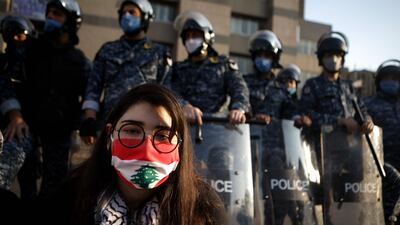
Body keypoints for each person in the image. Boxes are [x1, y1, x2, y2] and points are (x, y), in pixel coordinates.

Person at [36, 84, 227, 225]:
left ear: (180, 146)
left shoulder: (203, 207)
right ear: (110, 135)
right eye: (132, 130)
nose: (146, 148)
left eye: (163, 135)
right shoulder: (70, 197)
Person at [2, 0, 90, 199]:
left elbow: (89, 96)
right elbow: (7, 82)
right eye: (49, 13)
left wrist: (85, 123)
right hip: (25, 127)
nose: (50, 17)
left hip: (59, 134)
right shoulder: (29, 50)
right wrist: (15, 115)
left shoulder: (80, 61)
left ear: (71, 21)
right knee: (11, 172)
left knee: (54, 192)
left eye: (57, 14)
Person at [81, 0, 171, 144]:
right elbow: (93, 88)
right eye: (123, 13)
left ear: (145, 17)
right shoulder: (108, 50)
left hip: (145, 130)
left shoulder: (159, 53)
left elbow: (166, 91)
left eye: (132, 12)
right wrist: (90, 119)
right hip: (110, 125)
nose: (126, 16)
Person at [168, 11, 250, 125]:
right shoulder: (178, 68)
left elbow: (239, 88)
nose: (190, 40)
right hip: (187, 129)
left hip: (219, 129)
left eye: (195, 35)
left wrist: (238, 108)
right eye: (187, 36)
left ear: (207, 36)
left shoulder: (224, 64)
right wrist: (183, 105)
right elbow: (170, 92)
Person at [300, 31, 374, 142]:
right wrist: (340, 121)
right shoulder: (312, 85)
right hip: (322, 148)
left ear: (342, 59)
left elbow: (362, 110)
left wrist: (368, 121)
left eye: (338, 55)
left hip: (350, 148)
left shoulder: (349, 87)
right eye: (329, 55)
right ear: (321, 59)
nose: (334, 59)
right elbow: (306, 115)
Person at [363, 59, 400, 170]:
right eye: (386, 78)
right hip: (378, 166)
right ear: (379, 81)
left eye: (394, 79)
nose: (390, 81)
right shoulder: (366, 104)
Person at [243, 30, 282, 124]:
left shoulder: (282, 87)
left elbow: (291, 116)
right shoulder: (242, 83)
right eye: (259, 55)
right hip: (246, 136)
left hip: (274, 137)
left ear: (274, 59)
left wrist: (271, 119)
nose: (262, 58)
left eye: (267, 55)